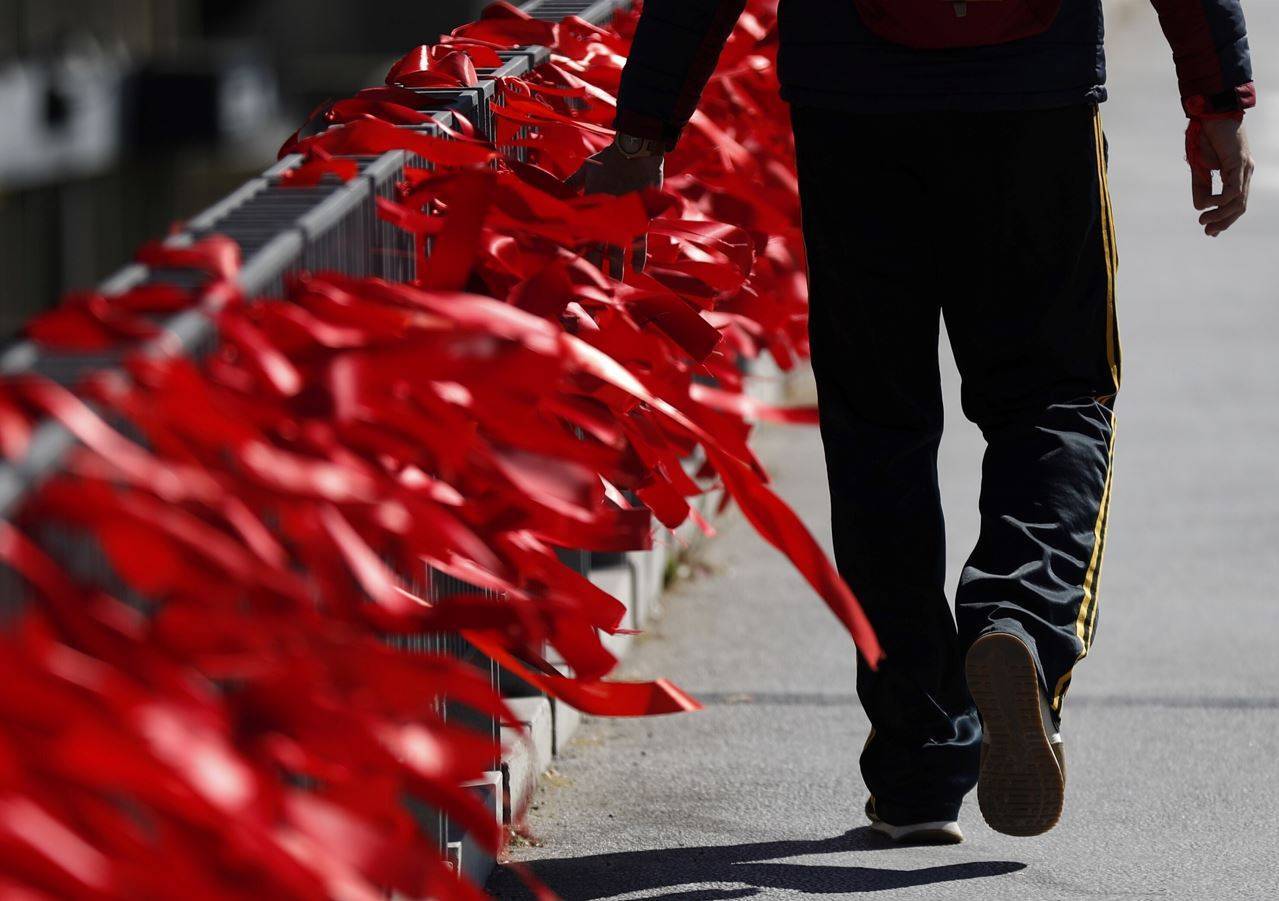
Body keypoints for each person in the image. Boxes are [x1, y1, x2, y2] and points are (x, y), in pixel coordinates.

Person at [574, 0, 1256, 842]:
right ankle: (1019, 622)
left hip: (852, 107)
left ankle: (916, 761)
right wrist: (1217, 100)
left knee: (876, 430)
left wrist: (644, 132)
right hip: (1031, 102)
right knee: (1055, 396)